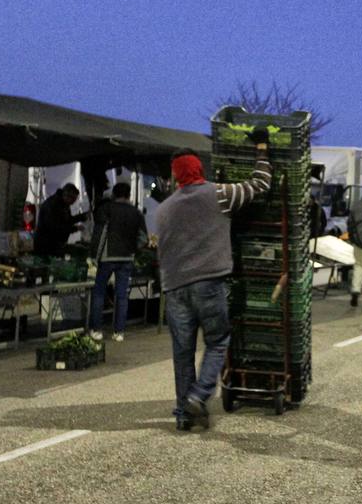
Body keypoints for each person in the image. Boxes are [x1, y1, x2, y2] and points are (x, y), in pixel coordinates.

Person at [153, 148, 272, 431]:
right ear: (199, 170)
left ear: (175, 176)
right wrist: (262, 153)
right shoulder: (219, 194)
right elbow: (259, 185)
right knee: (218, 341)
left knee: (182, 353)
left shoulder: (164, 209)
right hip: (208, 282)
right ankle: (198, 395)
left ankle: (185, 415)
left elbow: (162, 249)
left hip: (175, 287)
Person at [87, 182, 147, 343]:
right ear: (128, 195)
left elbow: (100, 234)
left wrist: (94, 257)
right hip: (127, 258)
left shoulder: (106, 210)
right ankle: (119, 332)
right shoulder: (136, 213)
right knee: (122, 295)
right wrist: (134, 249)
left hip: (108, 257)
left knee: (99, 292)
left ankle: (97, 330)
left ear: (114, 194)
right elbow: (143, 238)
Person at [34, 183, 85, 258]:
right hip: (46, 245)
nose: (73, 202)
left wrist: (82, 217)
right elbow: (55, 227)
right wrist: (75, 228)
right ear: (66, 196)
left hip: (56, 244)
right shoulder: (52, 205)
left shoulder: (64, 205)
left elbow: (68, 220)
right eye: (73, 199)